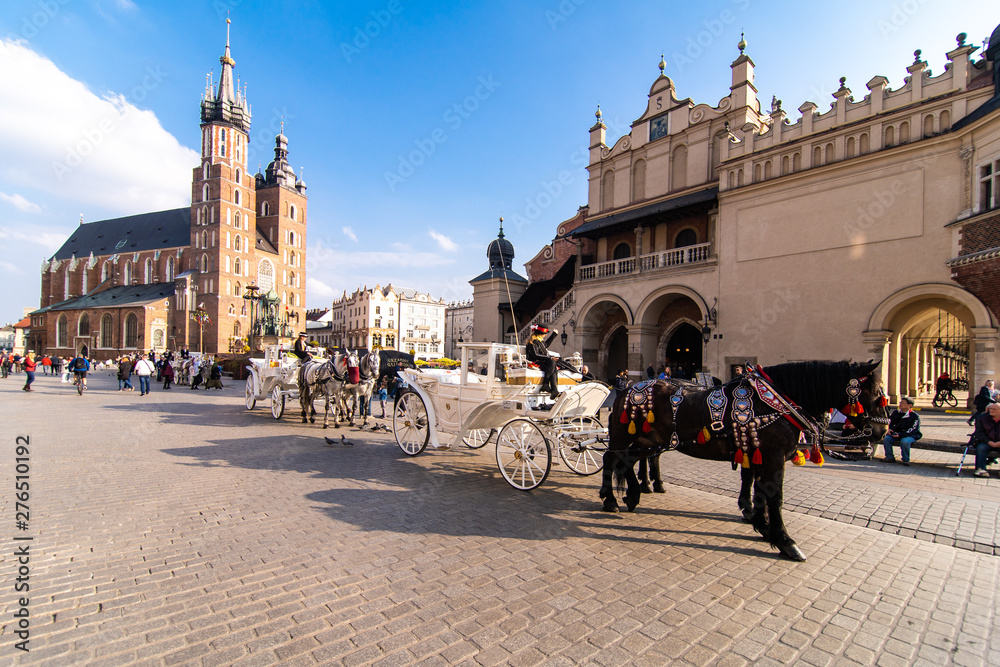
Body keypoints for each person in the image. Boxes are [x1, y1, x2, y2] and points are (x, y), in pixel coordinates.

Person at [882, 397, 921, 466]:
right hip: (896, 434)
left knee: (905, 442)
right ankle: (889, 457)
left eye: (903, 403)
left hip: (910, 435)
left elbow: (912, 429)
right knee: (887, 439)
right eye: (900, 402)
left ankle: (906, 460)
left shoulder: (914, 416)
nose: (900, 404)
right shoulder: (896, 413)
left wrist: (900, 434)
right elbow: (890, 422)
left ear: (910, 405)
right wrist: (890, 429)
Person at [525, 324, 560, 400]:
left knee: (553, 365)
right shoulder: (532, 342)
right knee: (552, 363)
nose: (545, 335)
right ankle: (547, 385)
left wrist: (554, 335)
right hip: (536, 362)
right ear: (540, 334)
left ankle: (553, 389)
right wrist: (550, 358)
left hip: (542, 361)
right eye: (544, 334)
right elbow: (536, 355)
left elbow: (546, 345)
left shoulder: (539, 341)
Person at [971, 403, 1000, 477]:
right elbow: (979, 433)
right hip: (987, 441)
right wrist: (988, 441)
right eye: (990, 409)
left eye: (994, 409)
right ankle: (981, 469)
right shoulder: (982, 418)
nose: (991, 410)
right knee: (981, 448)